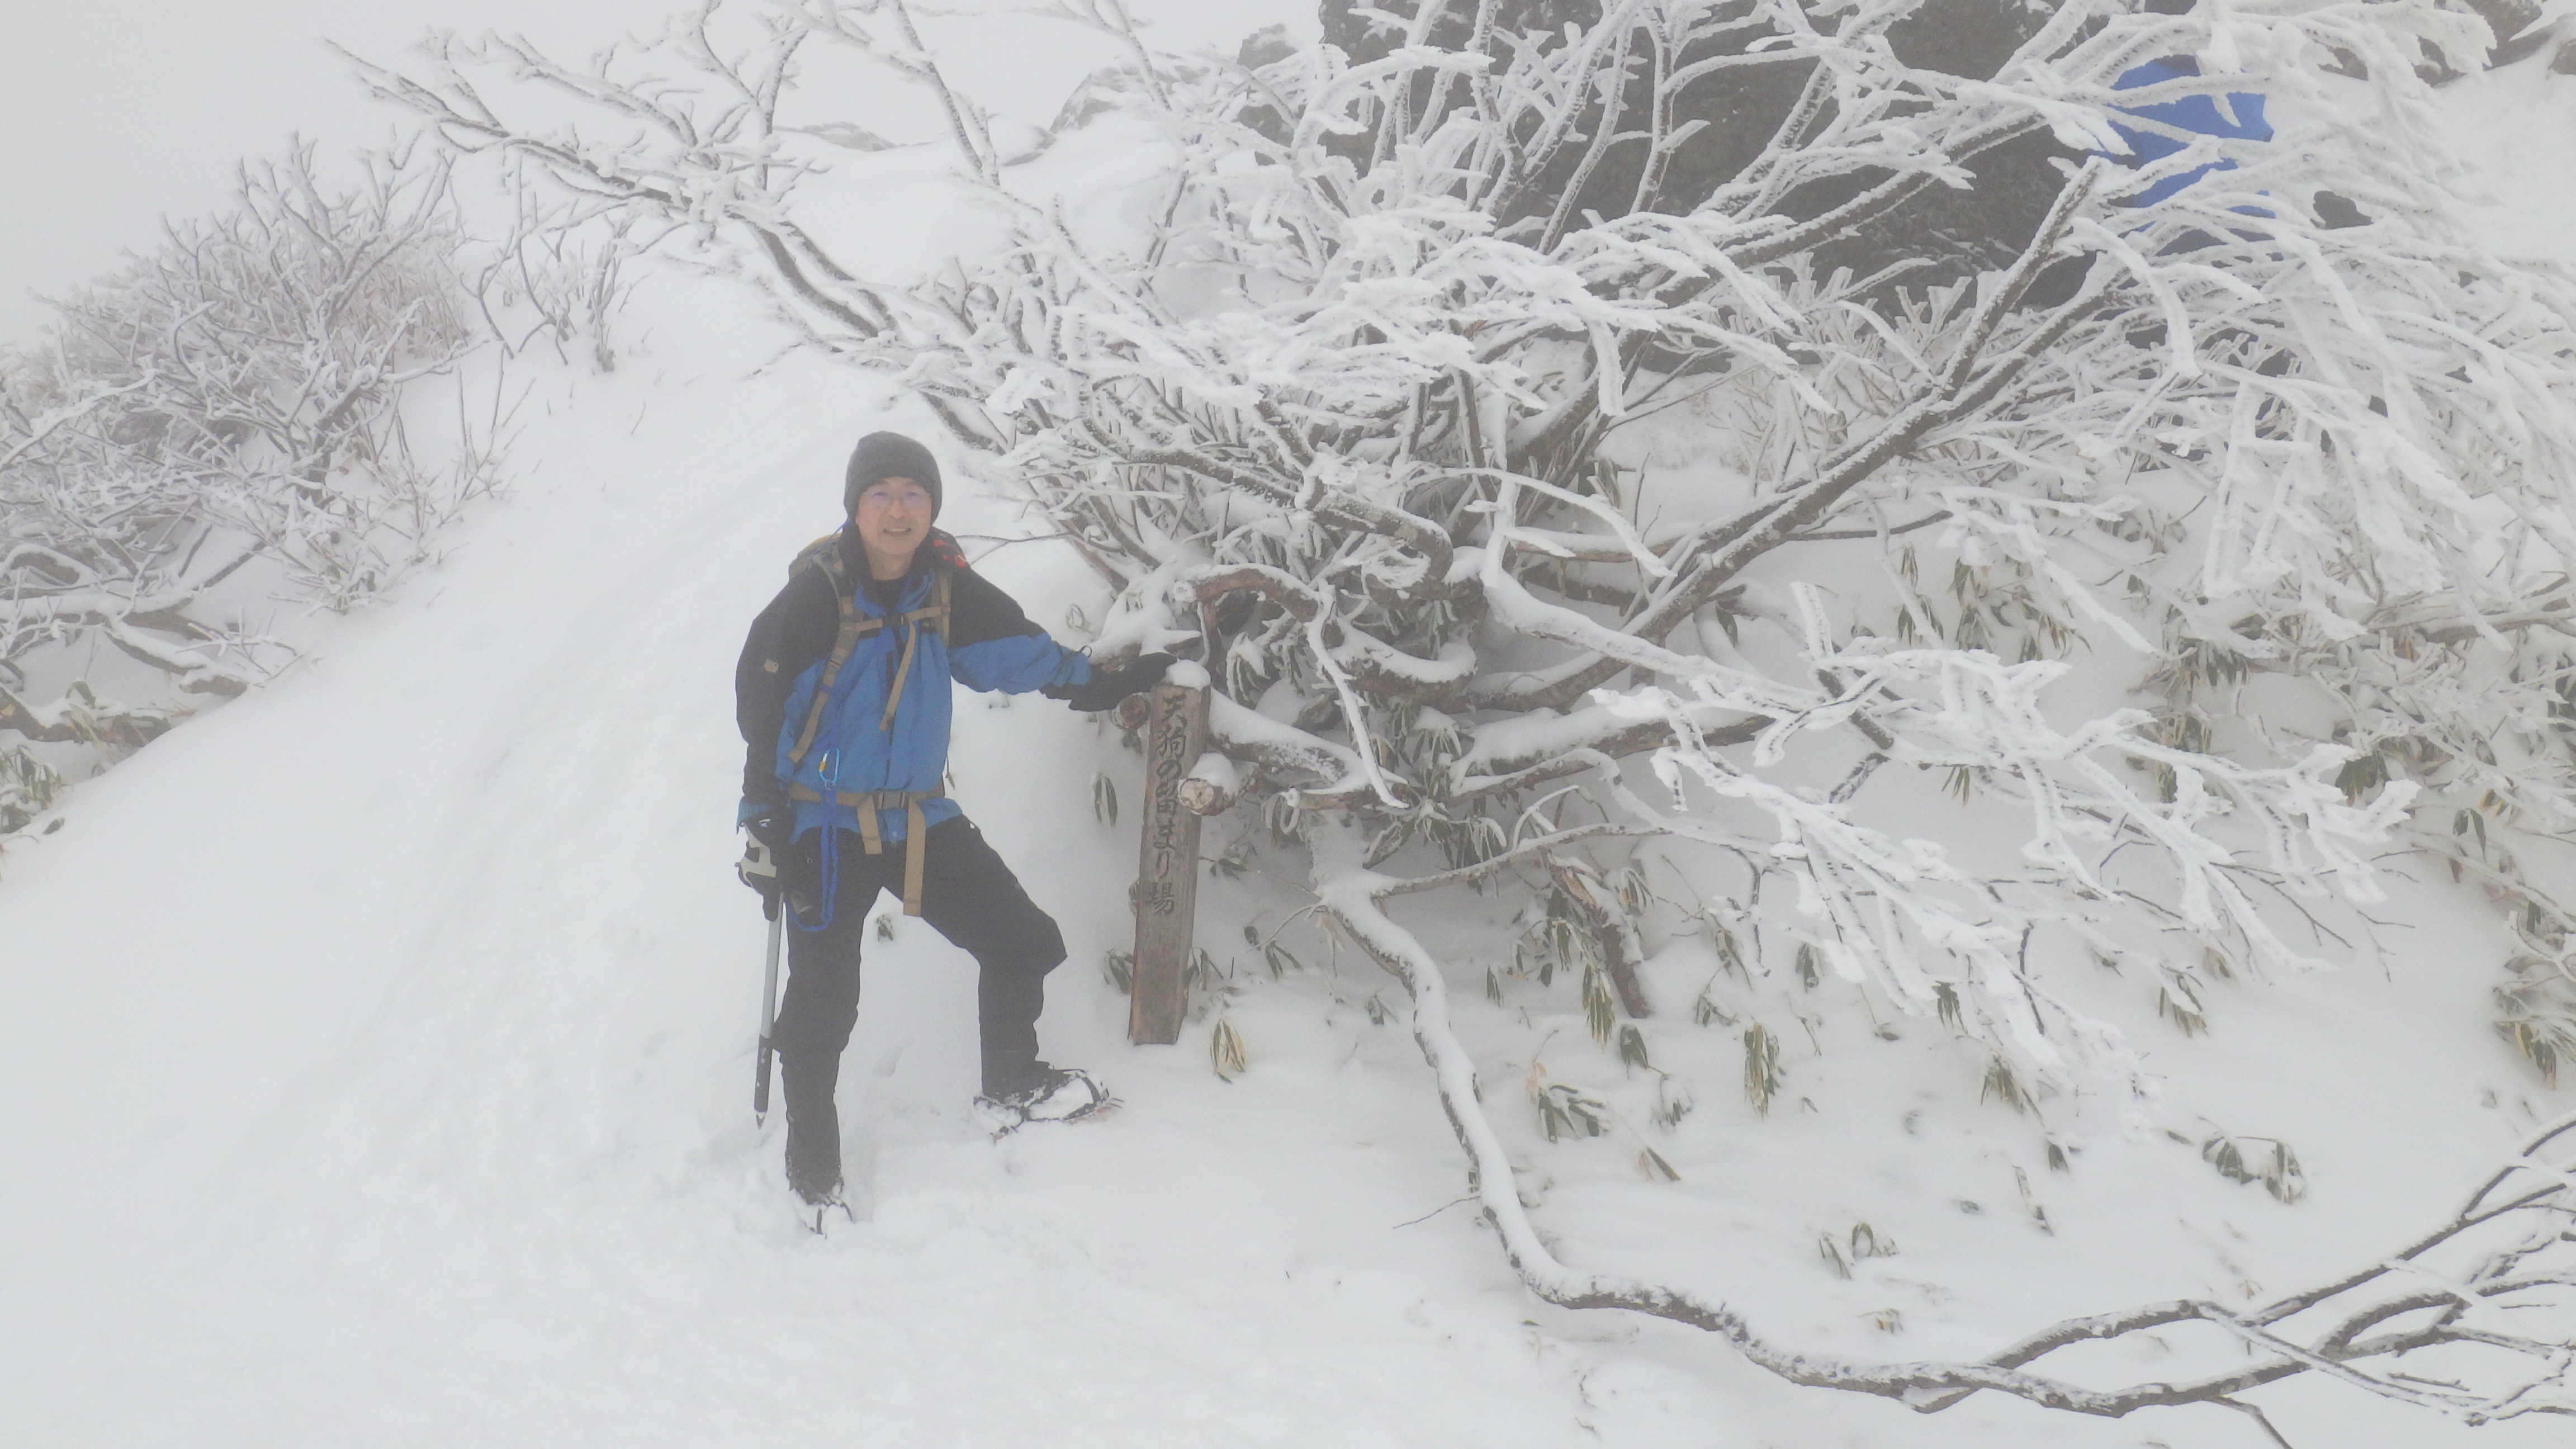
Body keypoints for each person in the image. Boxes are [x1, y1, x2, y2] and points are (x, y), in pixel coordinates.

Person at [733, 431, 1170, 1218]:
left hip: (915, 819)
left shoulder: (946, 588)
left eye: (913, 494)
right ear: (855, 507)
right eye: (881, 494)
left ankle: (1012, 1086)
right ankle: (813, 1165)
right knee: (823, 1004)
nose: (897, 510)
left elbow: (1015, 653)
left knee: (1025, 942)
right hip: (821, 828)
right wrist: (760, 821)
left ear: (932, 506)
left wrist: (1098, 683)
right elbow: (760, 711)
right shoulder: (815, 597)